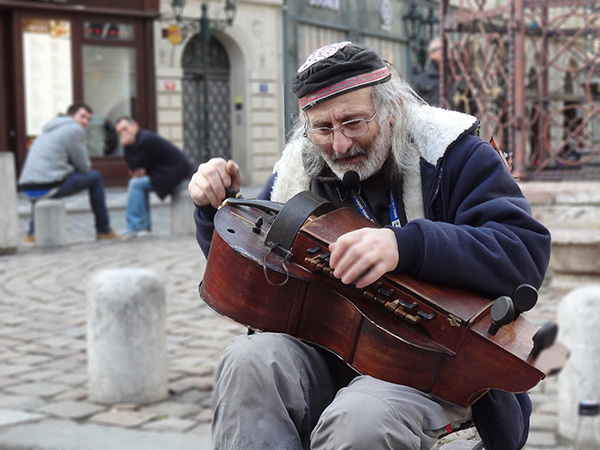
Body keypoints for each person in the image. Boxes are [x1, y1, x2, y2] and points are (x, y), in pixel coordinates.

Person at [188, 41, 551, 450]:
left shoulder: (454, 155)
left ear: (392, 108)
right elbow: (249, 272)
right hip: (328, 357)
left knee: (361, 417)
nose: (340, 145)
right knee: (247, 362)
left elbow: (523, 251)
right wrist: (209, 206)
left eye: (354, 123)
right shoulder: (300, 169)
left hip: (435, 367)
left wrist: (405, 246)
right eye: (323, 129)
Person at [18, 102, 119, 241]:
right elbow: (84, 167)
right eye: (82, 116)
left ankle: (32, 233)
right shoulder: (73, 130)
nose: (85, 122)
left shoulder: (46, 131)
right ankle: (104, 230)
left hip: (26, 188)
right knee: (95, 177)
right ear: (71, 116)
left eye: (88, 119)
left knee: (44, 178)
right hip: (47, 187)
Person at [115, 116, 195, 238]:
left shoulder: (145, 140)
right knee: (137, 183)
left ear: (135, 125)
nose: (124, 133)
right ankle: (141, 226)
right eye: (120, 132)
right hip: (169, 174)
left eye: (125, 129)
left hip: (177, 175)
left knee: (135, 184)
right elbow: (136, 169)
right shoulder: (140, 140)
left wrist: (126, 148)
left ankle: (137, 226)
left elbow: (136, 166)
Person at [412, 37, 444, 106]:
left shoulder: (459, 75)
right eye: (439, 49)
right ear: (431, 54)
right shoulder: (421, 79)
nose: (443, 52)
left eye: (445, 48)